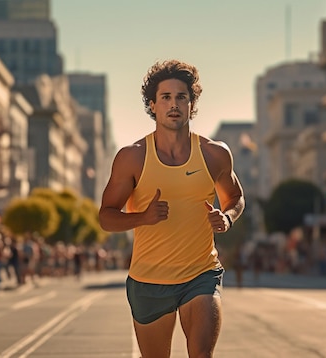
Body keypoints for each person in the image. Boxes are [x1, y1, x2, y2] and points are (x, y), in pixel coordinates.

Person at [99, 59, 245, 358]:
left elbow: (236, 197)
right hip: (149, 280)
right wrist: (143, 217)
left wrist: (227, 219)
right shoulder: (133, 157)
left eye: (181, 97)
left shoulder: (214, 153)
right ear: (152, 105)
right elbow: (106, 216)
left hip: (201, 274)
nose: (174, 104)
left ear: (192, 104)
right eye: (165, 97)